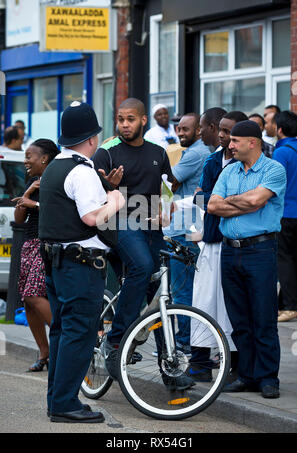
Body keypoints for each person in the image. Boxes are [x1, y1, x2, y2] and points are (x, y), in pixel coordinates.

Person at [92, 98, 194, 391]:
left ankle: (170, 368)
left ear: (143, 120)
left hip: (151, 229)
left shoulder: (158, 152)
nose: (125, 124)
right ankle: (115, 341)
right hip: (118, 225)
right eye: (120, 119)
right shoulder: (106, 152)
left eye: (130, 119)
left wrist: (166, 205)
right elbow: (92, 195)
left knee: (159, 295)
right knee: (143, 267)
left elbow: (166, 185)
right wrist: (108, 187)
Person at [39, 101, 125, 423]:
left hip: (57, 262)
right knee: (80, 332)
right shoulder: (82, 170)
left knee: (62, 331)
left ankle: (57, 400)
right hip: (80, 265)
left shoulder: (54, 167)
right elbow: (91, 217)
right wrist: (115, 199)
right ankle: (65, 405)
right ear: (92, 138)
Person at [207, 120, 286, 399]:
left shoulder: (274, 169)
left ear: (252, 142)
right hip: (230, 250)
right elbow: (212, 205)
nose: (230, 145)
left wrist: (234, 202)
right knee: (239, 317)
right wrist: (244, 201)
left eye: (235, 141)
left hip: (260, 251)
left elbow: (257, 201)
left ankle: (267, 377)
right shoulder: (229, 170)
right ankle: (248, 375)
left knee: (263, 316)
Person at [184, 111, 248, 383]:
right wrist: (220, 201)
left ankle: (235, 366)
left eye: (229, 132)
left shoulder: (248, 164)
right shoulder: (212, 161)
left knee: (232, 306)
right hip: (211, 241)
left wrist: (217, 201)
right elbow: (202, 201)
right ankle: (199, 363)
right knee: (203, 301)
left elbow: (245, 201)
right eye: (221, 131)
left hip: (237, 243)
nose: (224, 137)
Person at [163, 113, 210, 353]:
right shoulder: (197, 151)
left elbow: (169, 182)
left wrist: (168, 180)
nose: (181, 133)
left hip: (184, 230)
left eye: (186, 129)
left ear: (199, 130)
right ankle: (187, 341)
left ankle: (184, 342)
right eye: (178, 129)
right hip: (186, 228)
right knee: (183, 289)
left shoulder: (194, 153)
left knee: (182, 290)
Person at [13, 139, 59, 372]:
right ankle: (45, 352)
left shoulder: (56, 179)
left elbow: (60, 211)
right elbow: (19, 218)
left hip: (47, 243)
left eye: (29, 156)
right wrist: (29, 192)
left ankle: (65, 338)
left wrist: (34, 203)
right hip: (30, 243)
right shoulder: (33, 181)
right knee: (27, 301)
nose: (25, 161)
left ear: (44, 158)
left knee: (33, 295)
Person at [272, 111, 297, 322]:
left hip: (286, 212)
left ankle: (290, 306)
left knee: (285, 259)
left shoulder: (281, 153)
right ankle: (286, 303)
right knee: (295, 259)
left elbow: (275, 184)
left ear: (279, 129)